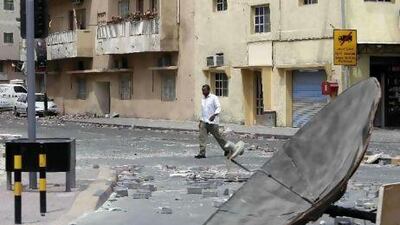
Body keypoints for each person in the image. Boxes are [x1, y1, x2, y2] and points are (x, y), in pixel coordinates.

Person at [195, 84, 244, 159]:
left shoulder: (213, 98)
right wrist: (200, 121)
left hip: (213, 122)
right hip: (204, 121)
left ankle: (227, 149)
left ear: (208, 90)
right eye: (202, 90)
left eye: (204, 90)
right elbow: (203, 111)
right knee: (202, 137)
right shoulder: (203, 99)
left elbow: (218, 107)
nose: (203, 91)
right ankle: (202, 153)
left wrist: (214, 115)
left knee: (218, 137)